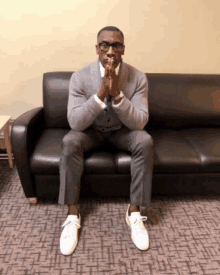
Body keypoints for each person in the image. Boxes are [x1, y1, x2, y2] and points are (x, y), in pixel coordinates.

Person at [58, 26, 154, 255]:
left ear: (123, 49)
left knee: (145, 141)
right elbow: (75, 123)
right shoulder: (80, 77)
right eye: (105, 45)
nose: (110, 51)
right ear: (97, 48)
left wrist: (118, 95)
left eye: (116, 45)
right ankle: (72, 214)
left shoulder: (138, 77)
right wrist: (100, 94)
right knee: (69, 141)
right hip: (90, 131)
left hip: (122, 131)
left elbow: (140, 122)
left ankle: (134, 212)